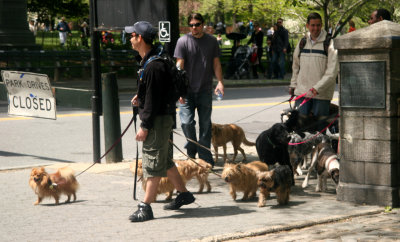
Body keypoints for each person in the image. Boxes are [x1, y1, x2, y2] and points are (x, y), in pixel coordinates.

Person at [125, 21, 195, 222]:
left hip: (157, 120)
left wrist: (145, 126)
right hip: (162, 117)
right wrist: (141, 97)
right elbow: (155, 92)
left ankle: (145, 207)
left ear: (140, 38)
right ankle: (184, 194)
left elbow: (154, 100)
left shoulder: (154, 65)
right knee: (164, 160)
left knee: (153, 163)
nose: (130, 39)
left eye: (132, 35)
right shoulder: (152, 59)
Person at [174, 13, 224, 166]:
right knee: (186, 123)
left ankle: (204, 156)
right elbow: (179, 66)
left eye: (197, 24)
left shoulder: (212, 41)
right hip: (187, 92)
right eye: (191, 25)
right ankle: (192, 146)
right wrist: (178, 90)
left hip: (205, 89)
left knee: (205, 125)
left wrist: (220, 82)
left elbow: (216, 63)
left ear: (203, 25)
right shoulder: (183, 41)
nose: (194, 27)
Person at [289, 12, 339, 130]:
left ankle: (319, 148)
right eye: (312, 25)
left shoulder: (330, 43)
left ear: (321, 25)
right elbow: (295, 66)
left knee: (319, 129)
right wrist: (293, 85)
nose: (315, 28)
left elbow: (332, 73)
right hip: (302, 92)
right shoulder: (302, 42)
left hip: (321, 95)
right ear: (307, 26)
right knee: (301, 128)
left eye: (318, 25)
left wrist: (317, 88)